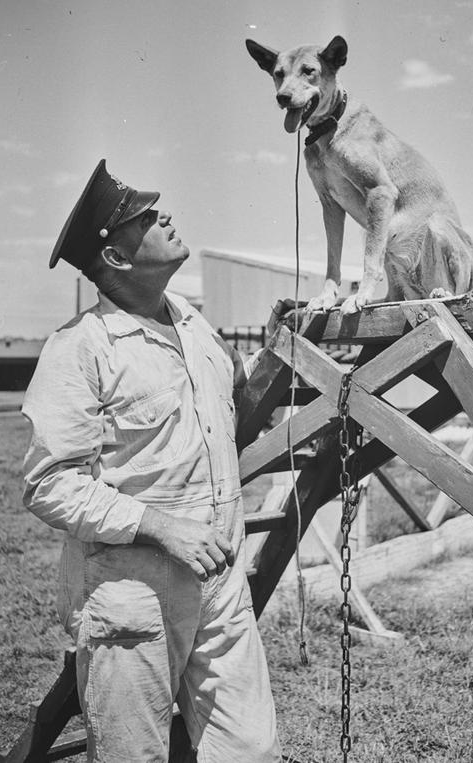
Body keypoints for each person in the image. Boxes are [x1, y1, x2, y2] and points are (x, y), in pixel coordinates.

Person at [22, 159, 282, 763]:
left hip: (219, 582)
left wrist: (275, 350)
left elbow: (231, 417)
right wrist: (163, 526)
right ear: (114, 259)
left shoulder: (196, 327)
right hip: (133, 592)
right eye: (143, 216)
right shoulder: (80, 348)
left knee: (250, 750)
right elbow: (47, 483)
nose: (163, 215)